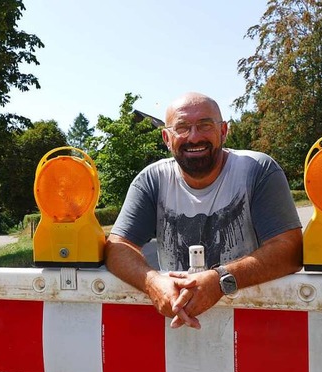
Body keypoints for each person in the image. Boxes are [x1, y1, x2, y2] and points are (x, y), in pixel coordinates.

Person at [105, 92, 303, 329]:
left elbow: (290, 250)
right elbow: (118, 248)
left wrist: (221, 279)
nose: (194, 137)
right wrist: (152, 283)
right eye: (182, 127)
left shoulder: (258, 171)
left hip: (254, 328)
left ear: (223, 131)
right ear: (167, 138)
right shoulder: (151, 180)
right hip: (178, 329)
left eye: (205, 125)